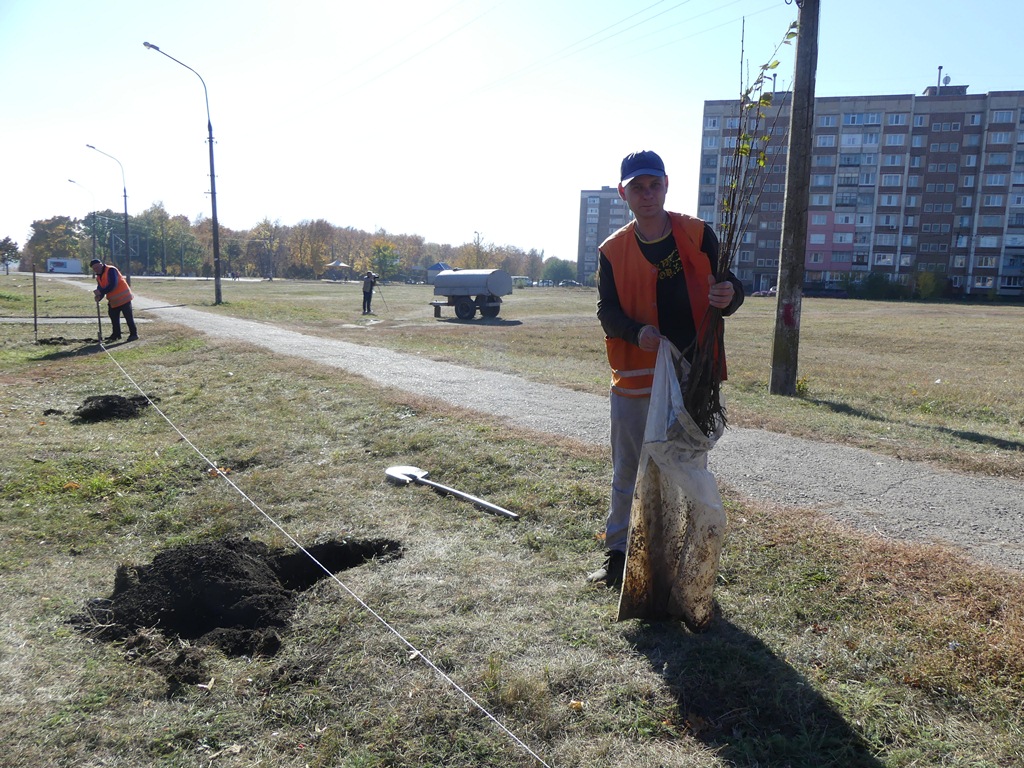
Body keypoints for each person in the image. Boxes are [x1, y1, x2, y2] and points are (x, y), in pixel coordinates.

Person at [588, 150, 744, 588]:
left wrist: (729, 295)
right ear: (624, 193)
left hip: (693, 378)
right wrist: (637, 333)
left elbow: (730, 287)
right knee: (627, 470)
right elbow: (606, 311)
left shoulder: (697, 234)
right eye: (637, 186)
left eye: (654, 184)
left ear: (667, 185)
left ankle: (687, 556)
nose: (647, 193)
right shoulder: (612, 251)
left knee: (688, 468)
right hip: (635, 380)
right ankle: (618, 558)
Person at [91, 258, 138, 342]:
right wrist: (99, 296)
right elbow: (101, 287)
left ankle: (133, 334)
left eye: (97, 267)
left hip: (124, 298)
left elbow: (113, 285)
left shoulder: (111, 270)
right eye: (94, 269)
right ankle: (116, 335)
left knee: (128, 317)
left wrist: (101, 291)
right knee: (113, 317)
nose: (96, 270)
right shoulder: (98, 277)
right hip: (114, 300)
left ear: (101, 265)